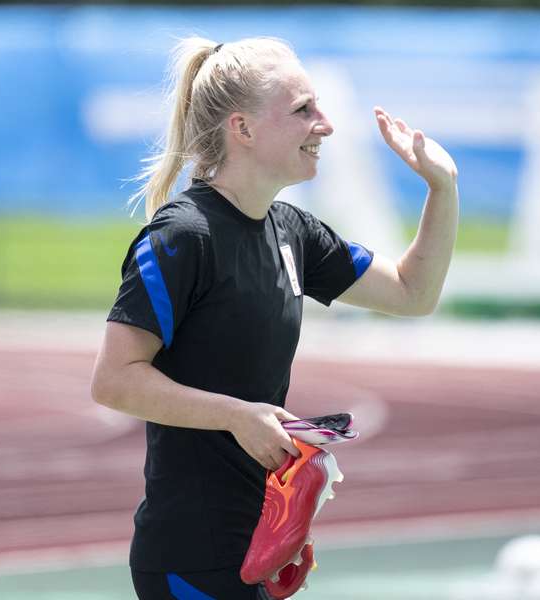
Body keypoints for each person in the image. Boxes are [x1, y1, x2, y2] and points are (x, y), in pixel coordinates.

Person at [90, 36, 458, 600]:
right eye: (302, 110)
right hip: (191, 555)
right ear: (242, 129)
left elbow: (413, 292)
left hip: (255, 543)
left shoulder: (292, 231)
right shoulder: (182, 237)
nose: (325, 125)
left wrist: (442, 187)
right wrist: (238, 416)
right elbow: (114, 380)